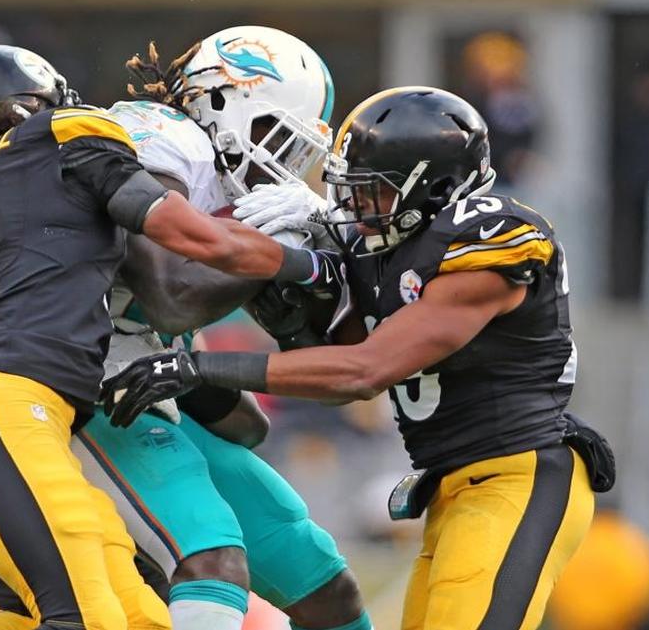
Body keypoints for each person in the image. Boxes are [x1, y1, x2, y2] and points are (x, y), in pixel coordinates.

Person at [104, 86, 616, 630]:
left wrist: (197, 368)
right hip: (450, 486)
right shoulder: (387, 246)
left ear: (436, 188)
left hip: (517, 476)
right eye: (351, 190)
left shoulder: (486, 237)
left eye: (374, 192)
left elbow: (365, 370)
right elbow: (319, 336)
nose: (355, 208)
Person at [0, 43, 337, 630]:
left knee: (302, 572)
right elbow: (173, 289)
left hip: (7, 403)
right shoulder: (86, 134)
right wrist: (289, 251)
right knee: (142, 590)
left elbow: (243, 418)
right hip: (46, 396)